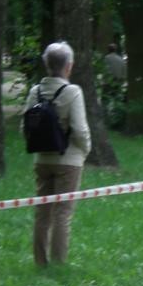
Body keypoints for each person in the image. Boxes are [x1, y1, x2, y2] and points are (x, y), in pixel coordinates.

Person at [24, 41, 91, 266]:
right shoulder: (72, 92)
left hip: (42, 160)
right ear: (69, 66)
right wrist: (85, 150)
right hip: (69, 161)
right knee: (63, 213)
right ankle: (59, 263)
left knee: (42, 214)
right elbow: (80, 129)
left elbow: (25, 127)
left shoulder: (35, 91)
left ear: (46, 65)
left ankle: (40, 261)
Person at [101, 43, 126, 128]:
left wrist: (103, 81)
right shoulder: (121, 59)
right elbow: (124, 73)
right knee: (117, 100)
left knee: (105, 101)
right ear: (116, 49)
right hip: (117, 82)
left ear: (108, 50)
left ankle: (104, 118)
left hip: (107, 82)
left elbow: (104, 70)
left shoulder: (106, 59)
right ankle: (117, 118)